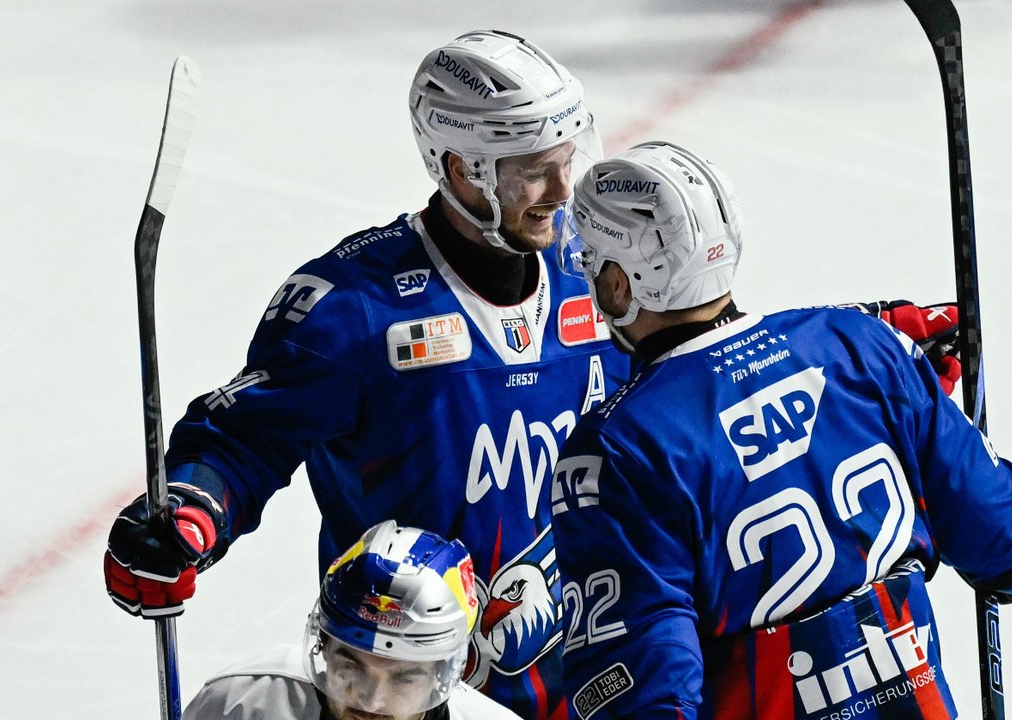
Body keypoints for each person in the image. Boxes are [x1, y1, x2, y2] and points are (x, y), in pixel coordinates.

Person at [105, 30, 624, 719]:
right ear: (461, 168)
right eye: (533, 169)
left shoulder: (599, 270)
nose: (561, 191)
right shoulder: (354, 307)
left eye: (565, 160)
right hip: (398, 694)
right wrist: (188, 514)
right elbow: (241, 442)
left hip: (593, 679)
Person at [549, 141, 1012, 719]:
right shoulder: (865, 346)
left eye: (594, 265)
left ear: (620, 284)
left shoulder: (618, 447)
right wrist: (914, 427)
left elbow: (642, 696)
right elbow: (1010, 547)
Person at [183, 520, 521, 720]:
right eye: (351, 666)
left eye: (404, 678)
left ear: (441, 676)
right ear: (323, 649)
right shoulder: (240, 706)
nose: (372, 701)